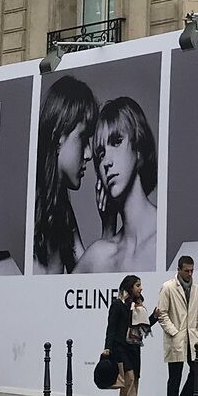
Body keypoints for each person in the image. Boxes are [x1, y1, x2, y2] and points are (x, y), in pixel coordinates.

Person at [76, 96, 160, 275]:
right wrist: (108, 228)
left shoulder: (168, 237)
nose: (106, 161)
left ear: (138, 147)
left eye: (116, 142)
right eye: (100, 154)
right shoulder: (100, 254)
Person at [33, 75, 99, 275]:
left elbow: (86, 276)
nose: (89, 154)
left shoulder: (61, 208)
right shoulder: (31, 206)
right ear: (58, 135)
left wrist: (109, 225)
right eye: (84, 137)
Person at [154, 254, 198, 396]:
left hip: (192, 338)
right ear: (178, 270)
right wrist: (174, 331)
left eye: (192, 270)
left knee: (197, 370)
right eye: (186, 270)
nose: (189, 274)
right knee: (175, 377)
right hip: (177, 338)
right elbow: (162, 313)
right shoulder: (168, 287)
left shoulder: (196, 289)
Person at [101, 274, 153, 396]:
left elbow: (144, 327)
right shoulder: (118, 305)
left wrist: (155, 317)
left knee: (132, 380)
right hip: (120, 347)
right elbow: (111, 328)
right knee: (128, 377)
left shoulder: (139, 306)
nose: (140, 288)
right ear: (129, 287)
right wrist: (107, 347)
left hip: (134, 348)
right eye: (137, 285)